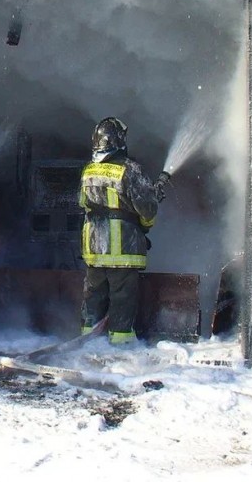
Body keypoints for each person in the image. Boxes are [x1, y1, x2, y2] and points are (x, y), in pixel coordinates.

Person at [78, 117, 166, 344]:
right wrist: (145, 223)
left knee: (93, 295)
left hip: (94, 248)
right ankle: (120, 344)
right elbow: (147, 210)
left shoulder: (88, 171)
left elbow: (83, 203)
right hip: (123, 249)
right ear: (119, 141)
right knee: (122, 297)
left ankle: (87, 342)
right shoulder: (130, 170)